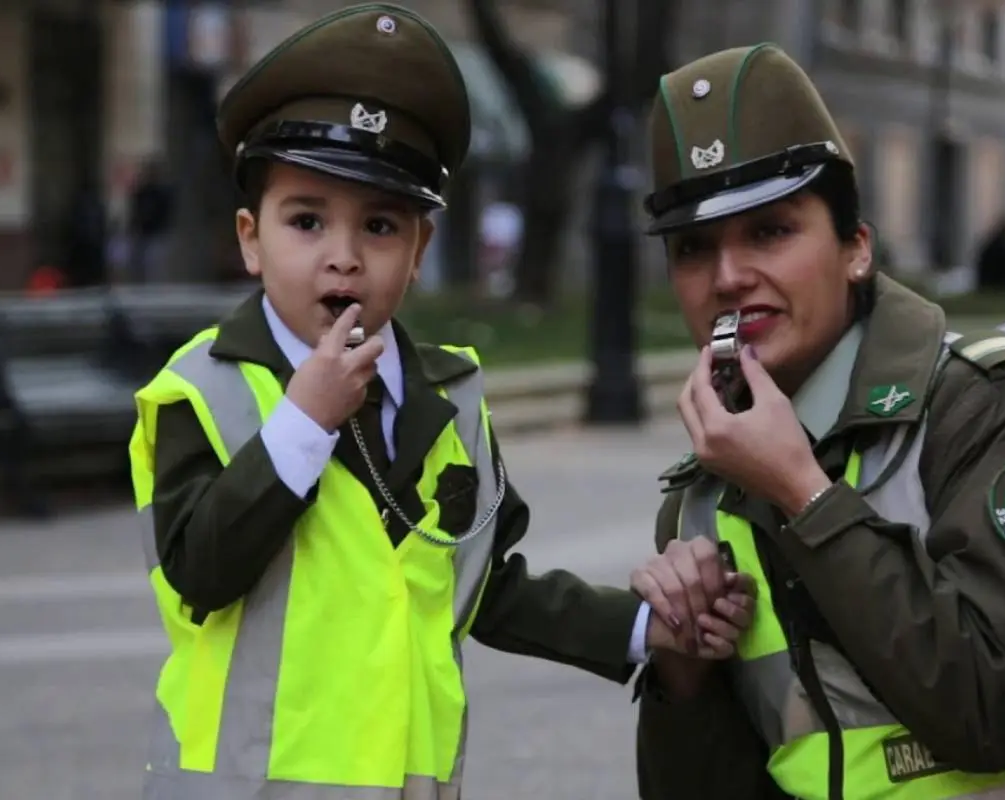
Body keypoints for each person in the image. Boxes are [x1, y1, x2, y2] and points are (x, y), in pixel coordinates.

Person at [126, 6, 756, 798]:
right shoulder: (202, 391)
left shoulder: (447, 396)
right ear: (252, 239)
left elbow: (487, 586)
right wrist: (303, 423)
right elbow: (200, 574)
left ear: (419, 250)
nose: (343, 258)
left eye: (381, 226)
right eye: (307, 221)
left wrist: (642, 628)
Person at [628, 44, 1005, 800]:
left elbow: (998, 712)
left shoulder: (1004, 409)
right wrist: (680, 672)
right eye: (693, 249)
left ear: (856, 249)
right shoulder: (706, 495)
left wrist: (807, 497)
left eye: (770, 232)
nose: (727, 278)